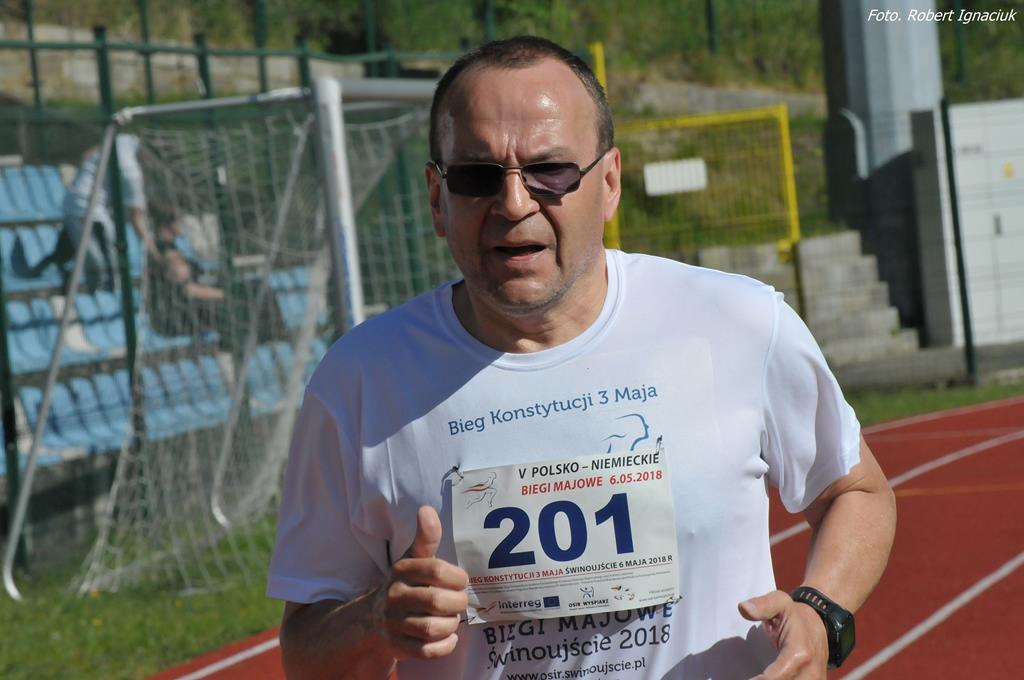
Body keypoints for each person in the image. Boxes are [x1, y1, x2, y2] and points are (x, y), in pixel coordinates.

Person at [267, 36, 897, 680]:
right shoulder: (361, 381)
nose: (514, 203)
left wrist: (821, 612)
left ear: (610, 182)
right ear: (437, 198)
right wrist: (375, 621)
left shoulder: (736, 323)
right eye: (478, 176)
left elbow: (855, 491)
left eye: (551, 171)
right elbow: (306, 652)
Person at [28, 134, 157, 291]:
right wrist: (154, 252)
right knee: (101, 265)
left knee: (74, 252)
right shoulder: (131, 173)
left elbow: (87, 155)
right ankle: (98, 293)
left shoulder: (127, 140)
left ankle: (46, 270)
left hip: (75, 203)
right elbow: (137, 219)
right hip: (89, 211)